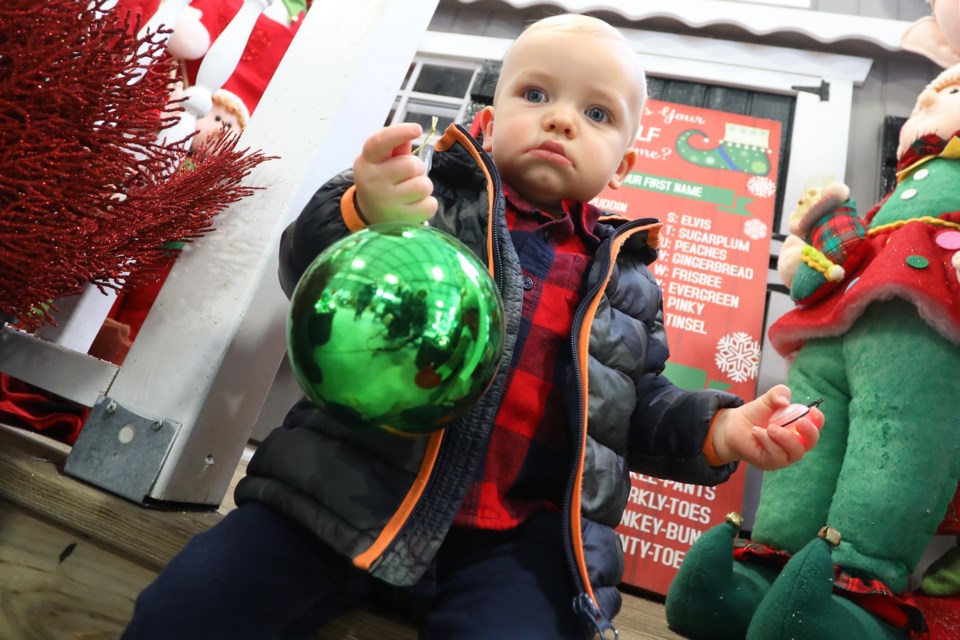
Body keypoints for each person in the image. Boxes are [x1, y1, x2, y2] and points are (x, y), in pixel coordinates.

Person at [122, 14, 823, 640]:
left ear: (624, 165)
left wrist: (720, 430)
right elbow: (313, 264)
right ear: (488, 120)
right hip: (338, 495)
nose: (561, 121)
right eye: (537, 95)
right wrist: (363, 206)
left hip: (516, 544)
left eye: (598, 113)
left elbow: (635, 407)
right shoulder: (428, 201)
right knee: (182, 614)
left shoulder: (627, 283)